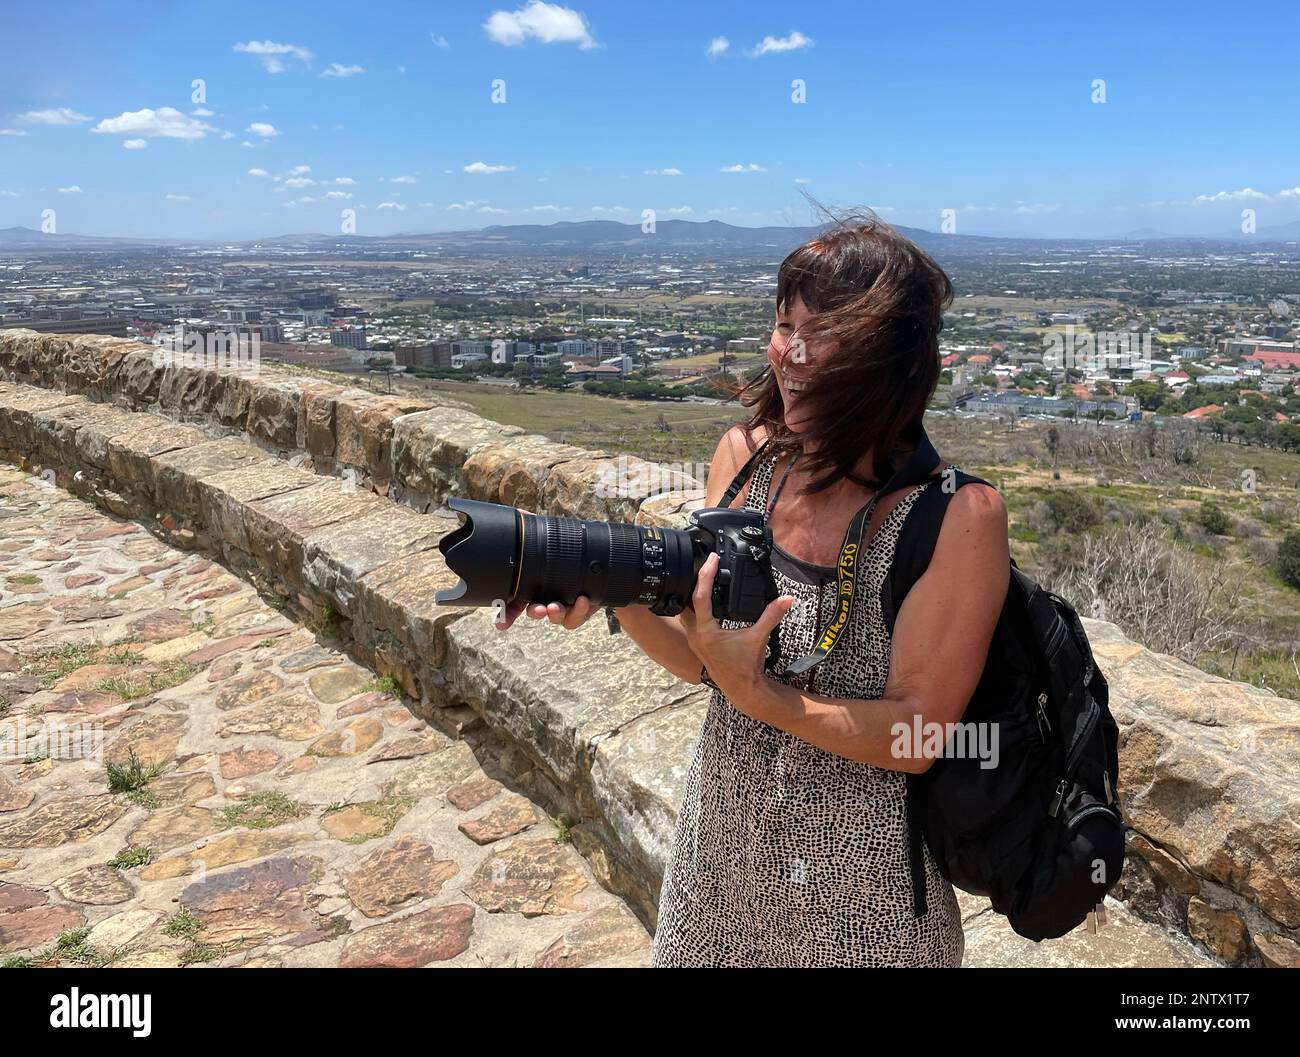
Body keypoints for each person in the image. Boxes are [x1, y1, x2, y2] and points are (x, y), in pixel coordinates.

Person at [495, 216, 1009, 967]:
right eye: (782, 323)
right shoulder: (745, 461)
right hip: (718, 868)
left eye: (820, 331)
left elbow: (919, 735)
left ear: (889, 358)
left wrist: (763, 695)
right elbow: (705, 659)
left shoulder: (956, 516)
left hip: (863, 909)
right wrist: (613, 591)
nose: (790, 352)